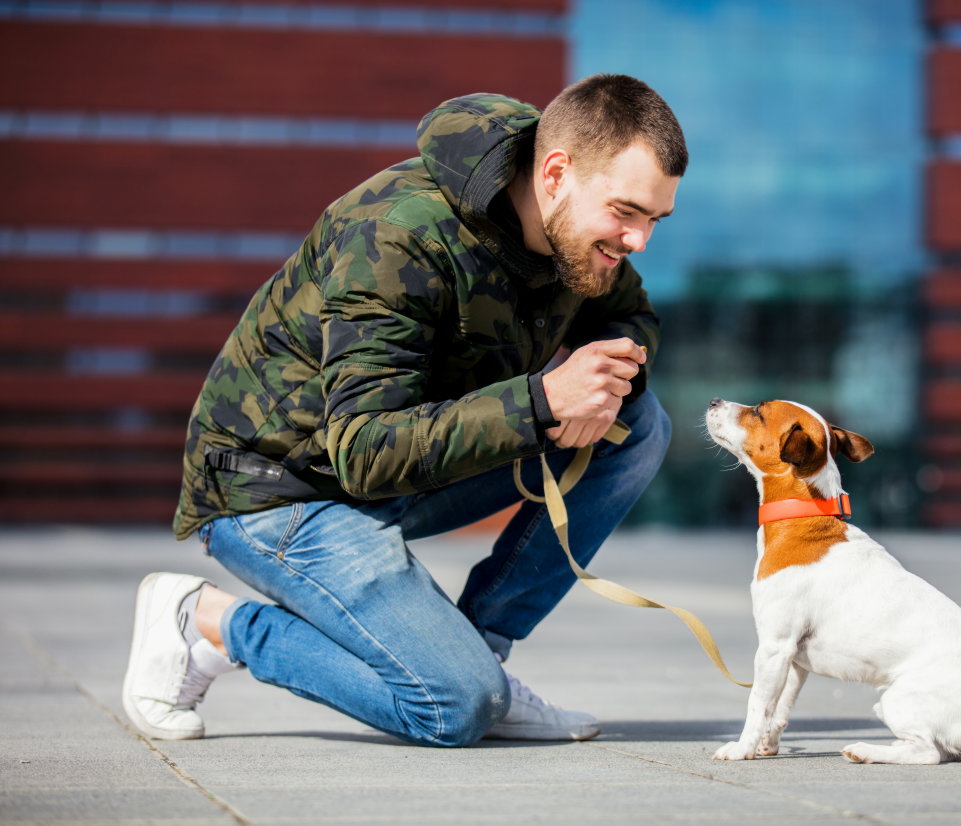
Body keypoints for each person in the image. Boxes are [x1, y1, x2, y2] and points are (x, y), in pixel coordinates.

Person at [122, 74, 686, 747]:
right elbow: (362, 450)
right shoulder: (396, 236)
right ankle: (208, 624)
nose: (639, 240)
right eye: (627, 212)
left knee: (639, 424)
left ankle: (481, 654)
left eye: (655, 218)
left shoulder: (580, 237)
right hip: (281, 493)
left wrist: (604, 376)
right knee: (452, 710)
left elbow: (630, 316)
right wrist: (541, 401)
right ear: (557, 172)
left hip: (399, 473)